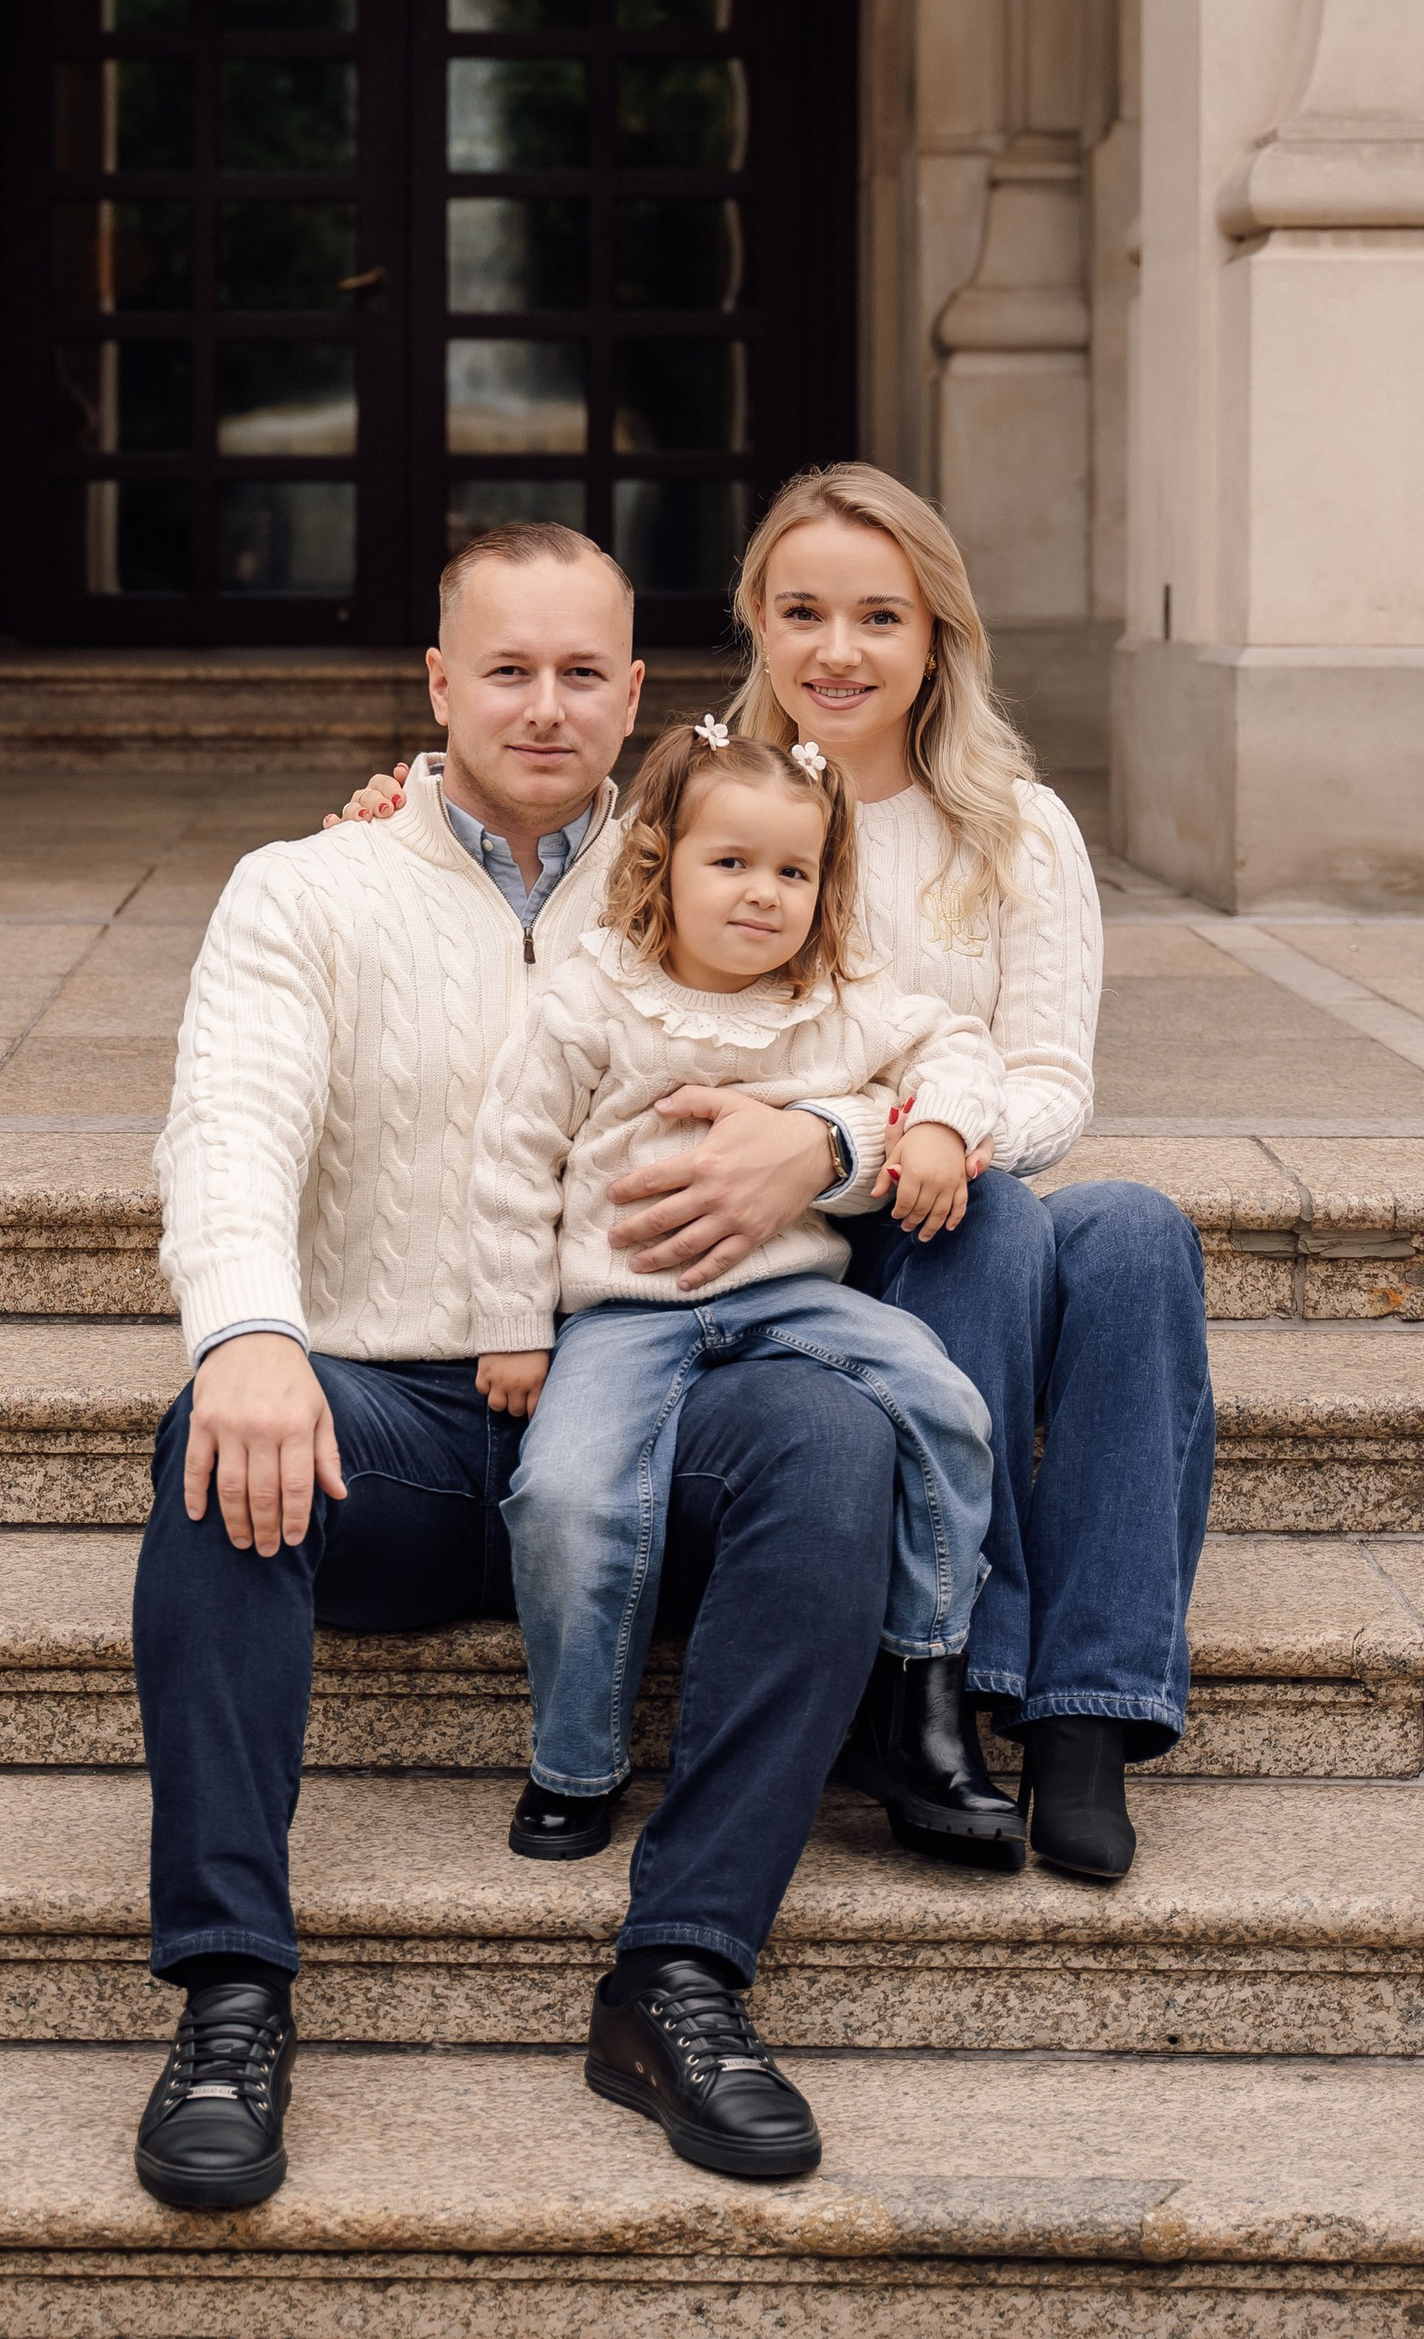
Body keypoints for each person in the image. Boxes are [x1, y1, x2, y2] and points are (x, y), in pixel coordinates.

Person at [134, 521, 902, 2213]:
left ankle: (683, 1974)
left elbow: (915, 1037)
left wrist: (830, 1138)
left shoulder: (726, 862)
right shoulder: (309, 887)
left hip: (658, 1401)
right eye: (505, 669)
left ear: (636, 692)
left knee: (836, 1443)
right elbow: (231, 1129)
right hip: (403, 1423)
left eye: (579, 674)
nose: (542, 707)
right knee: (215, 1432)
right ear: (437, 682)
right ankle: (230, 1996)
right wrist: (252, 1336)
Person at [725, 462, 1212, 1882]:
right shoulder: (717, 810)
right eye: (803, 610)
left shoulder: (1018, 825)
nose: (838, 650)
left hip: (966, 1195)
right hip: (815, 1239)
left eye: (880, 616)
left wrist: (952, 1130)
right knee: (994, 1225)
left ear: (936, 635)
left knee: (1131, 1230)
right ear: (756, 618)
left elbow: (1051, 1080)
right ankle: (958, 1667)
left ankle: (1087, 1716)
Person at [470, 715, 1002, 1872]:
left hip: (788, 1302)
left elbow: (956, 1043)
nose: (763, 894)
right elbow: (511, 1163)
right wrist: (514, 1326)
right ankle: (573, 1760)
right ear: (661, 863)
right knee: (565, 1495)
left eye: (794, 871)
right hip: (622, 1317)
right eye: (731, 863)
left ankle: (919, 1661)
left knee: (946, 1404)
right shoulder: (594, 999)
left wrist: (942, 1127)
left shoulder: (833, 1001)